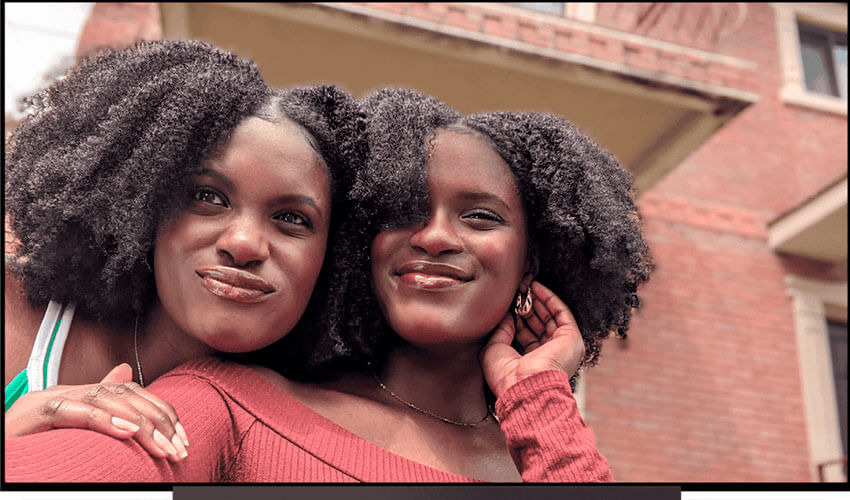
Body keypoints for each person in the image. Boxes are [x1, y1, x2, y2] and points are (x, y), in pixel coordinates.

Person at [6, 88, 651, 482]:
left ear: (532, 262)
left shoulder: (547, 447)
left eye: (480, 216)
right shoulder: (232, 401)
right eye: (401, 212)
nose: (432, 236)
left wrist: (539, 395)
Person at [3, 39, 364, 462]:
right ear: (144, 203)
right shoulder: (14, 314)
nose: (244, 245)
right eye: (209, 197)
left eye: (292, 218)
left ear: (337, 258)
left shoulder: (314, 419)